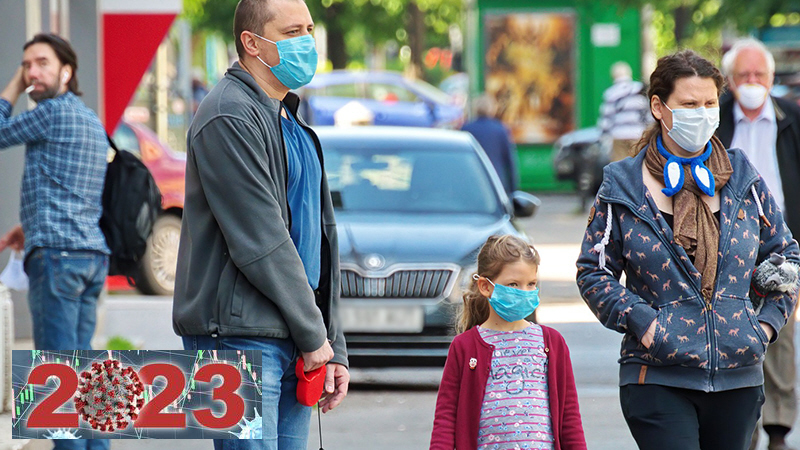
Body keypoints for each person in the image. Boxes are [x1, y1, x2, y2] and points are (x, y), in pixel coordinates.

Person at [576, 50, 800, 450]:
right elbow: (593, 272)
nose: (702, 114)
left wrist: (763, 328)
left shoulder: (742, 176)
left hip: (738, 377)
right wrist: (646, 324)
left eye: (710, 103)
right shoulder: (624, 184)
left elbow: (787, 258)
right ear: (658, 107)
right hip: (657, 375)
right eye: (689, 104)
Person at [172, 0, 349, 449]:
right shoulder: (228, 114)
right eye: (292, 32)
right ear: (251, 43)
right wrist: (315, 335)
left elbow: (321, 241)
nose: (307, 42)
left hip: (293, 335)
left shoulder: (289, 117)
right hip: (240, 341)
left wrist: (332, 342)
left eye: (309, 29)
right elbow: (261, 239)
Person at [0, 33, 109, 450]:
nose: (32, 72)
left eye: (41, 63)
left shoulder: (50, 113)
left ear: (67, 71)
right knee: (83, 372)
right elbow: (71, 190)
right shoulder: (90, 119)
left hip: (59, 259)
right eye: (26, 65)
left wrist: (13, 85)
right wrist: (28, 227)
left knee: (56, 378)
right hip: (90, 257)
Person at [718, 38, 800, 450]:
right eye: (743, 75)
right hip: (728, 243)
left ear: (770, 78)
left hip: (781, 241)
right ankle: (744, 430)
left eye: (758, 74)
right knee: (736, 333)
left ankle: (779, 428)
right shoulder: (717, 119)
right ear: (730, 80)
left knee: (780, 331)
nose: (751, 82)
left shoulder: (791, 118)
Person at [431, 235, 587, 450]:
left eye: (531, 284)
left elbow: (569, 417)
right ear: (485, 286)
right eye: (513, 284)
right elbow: (446, 416)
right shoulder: (465, 346)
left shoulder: (552, 343)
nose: (524, 292)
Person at [461, 95, 518, 196]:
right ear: (492, 109)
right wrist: (513, 189)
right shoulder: (501, 130)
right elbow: (509, 161)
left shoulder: (466, 129)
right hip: (496, 181)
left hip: (472, 181)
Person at [597, 61, 651, 161]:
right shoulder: (639, 89)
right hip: (637, 134)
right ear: (629, 74)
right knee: (637, 164)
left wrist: (603, 136)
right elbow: (648, 115)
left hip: (619, 136)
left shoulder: (611, 93)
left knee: (619, 166)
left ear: (613, 76)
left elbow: (606, 119)